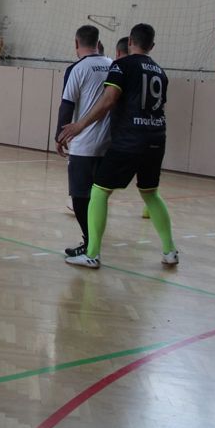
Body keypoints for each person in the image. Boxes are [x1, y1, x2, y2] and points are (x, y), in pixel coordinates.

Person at [58, 23, 178, 269]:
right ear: (152, 45)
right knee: (150, 193)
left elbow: (109, 100)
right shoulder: (160, 71)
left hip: (129, 140)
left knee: (99, 192)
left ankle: (92, 254)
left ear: (130, 41)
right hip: (157, 139)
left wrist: (80, 125)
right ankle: (170, 251)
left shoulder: (122, 65)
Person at [56, 26, 113, 257]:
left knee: (79, 197)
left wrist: (59, 136)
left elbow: (67, 104)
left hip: (85, 144)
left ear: (76, 43)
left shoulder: (77, 68)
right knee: (98, 197)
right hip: (109, 144)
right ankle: (94, 244)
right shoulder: (113, 65)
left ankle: (90, 246)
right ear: (98, 43)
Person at [116, 36, 151, 219]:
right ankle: (149, 207)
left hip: (127, 135)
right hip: (152, 132)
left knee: (101, 186)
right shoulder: (155, 69)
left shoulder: (122, 67)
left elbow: (108, 101)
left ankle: (92, 241)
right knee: (149, 186)